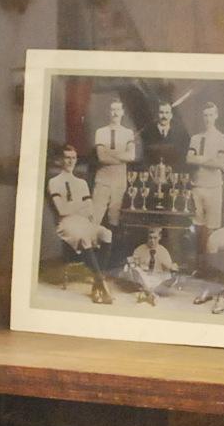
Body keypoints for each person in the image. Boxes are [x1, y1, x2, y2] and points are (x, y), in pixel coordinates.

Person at [48, 145, 114, 302]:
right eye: (67, 158)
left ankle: (97, 284)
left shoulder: (82, 183)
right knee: (84, 236)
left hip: (83, 222)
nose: (70, 161)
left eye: (73, 158)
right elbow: (62, 210)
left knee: (106, 233)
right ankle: (102, 285)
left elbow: (90, 211)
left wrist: (78, 208)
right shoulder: (54, 182)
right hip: (66, 224)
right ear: (60, 160)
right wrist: (80, 206)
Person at [95, 98, 140, 228]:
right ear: (109, 112)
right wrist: (121, 157)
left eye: (118, 110)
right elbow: (101, 157)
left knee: (114, 218)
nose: (115, 113)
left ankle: (110, 247)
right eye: (112, 109)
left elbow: (131, 156)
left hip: (120, 180)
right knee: (96, 216)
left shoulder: (128, 133)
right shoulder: (101, 131)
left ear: (122, 112)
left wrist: (110, 155)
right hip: (103, 179)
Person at [187, 103, 224, 233]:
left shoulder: (222, 138)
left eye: (211, 115)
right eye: (205, 115)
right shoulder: (195, 138)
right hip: (197, 186)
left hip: (214, 188)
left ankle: (210, 254)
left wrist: (199, 159)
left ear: (216, 116)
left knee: (211, 228)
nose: (207, 118)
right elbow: (189, 159)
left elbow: (221, 164)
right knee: (196, 227)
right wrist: (210, 159)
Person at [124, 227, 179, 304]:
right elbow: (133, 264)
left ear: (159, 238)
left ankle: (147, 292)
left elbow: (170, 267)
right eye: (150, 238)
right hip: (144, 278)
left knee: (172, 277)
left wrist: (173, 268)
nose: (152, 241)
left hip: (157, 279)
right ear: (147, 238)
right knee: (135, 270)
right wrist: (132, 264)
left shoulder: (163, 251)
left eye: (155, 238)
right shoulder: (140, 249)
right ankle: (152, 293)